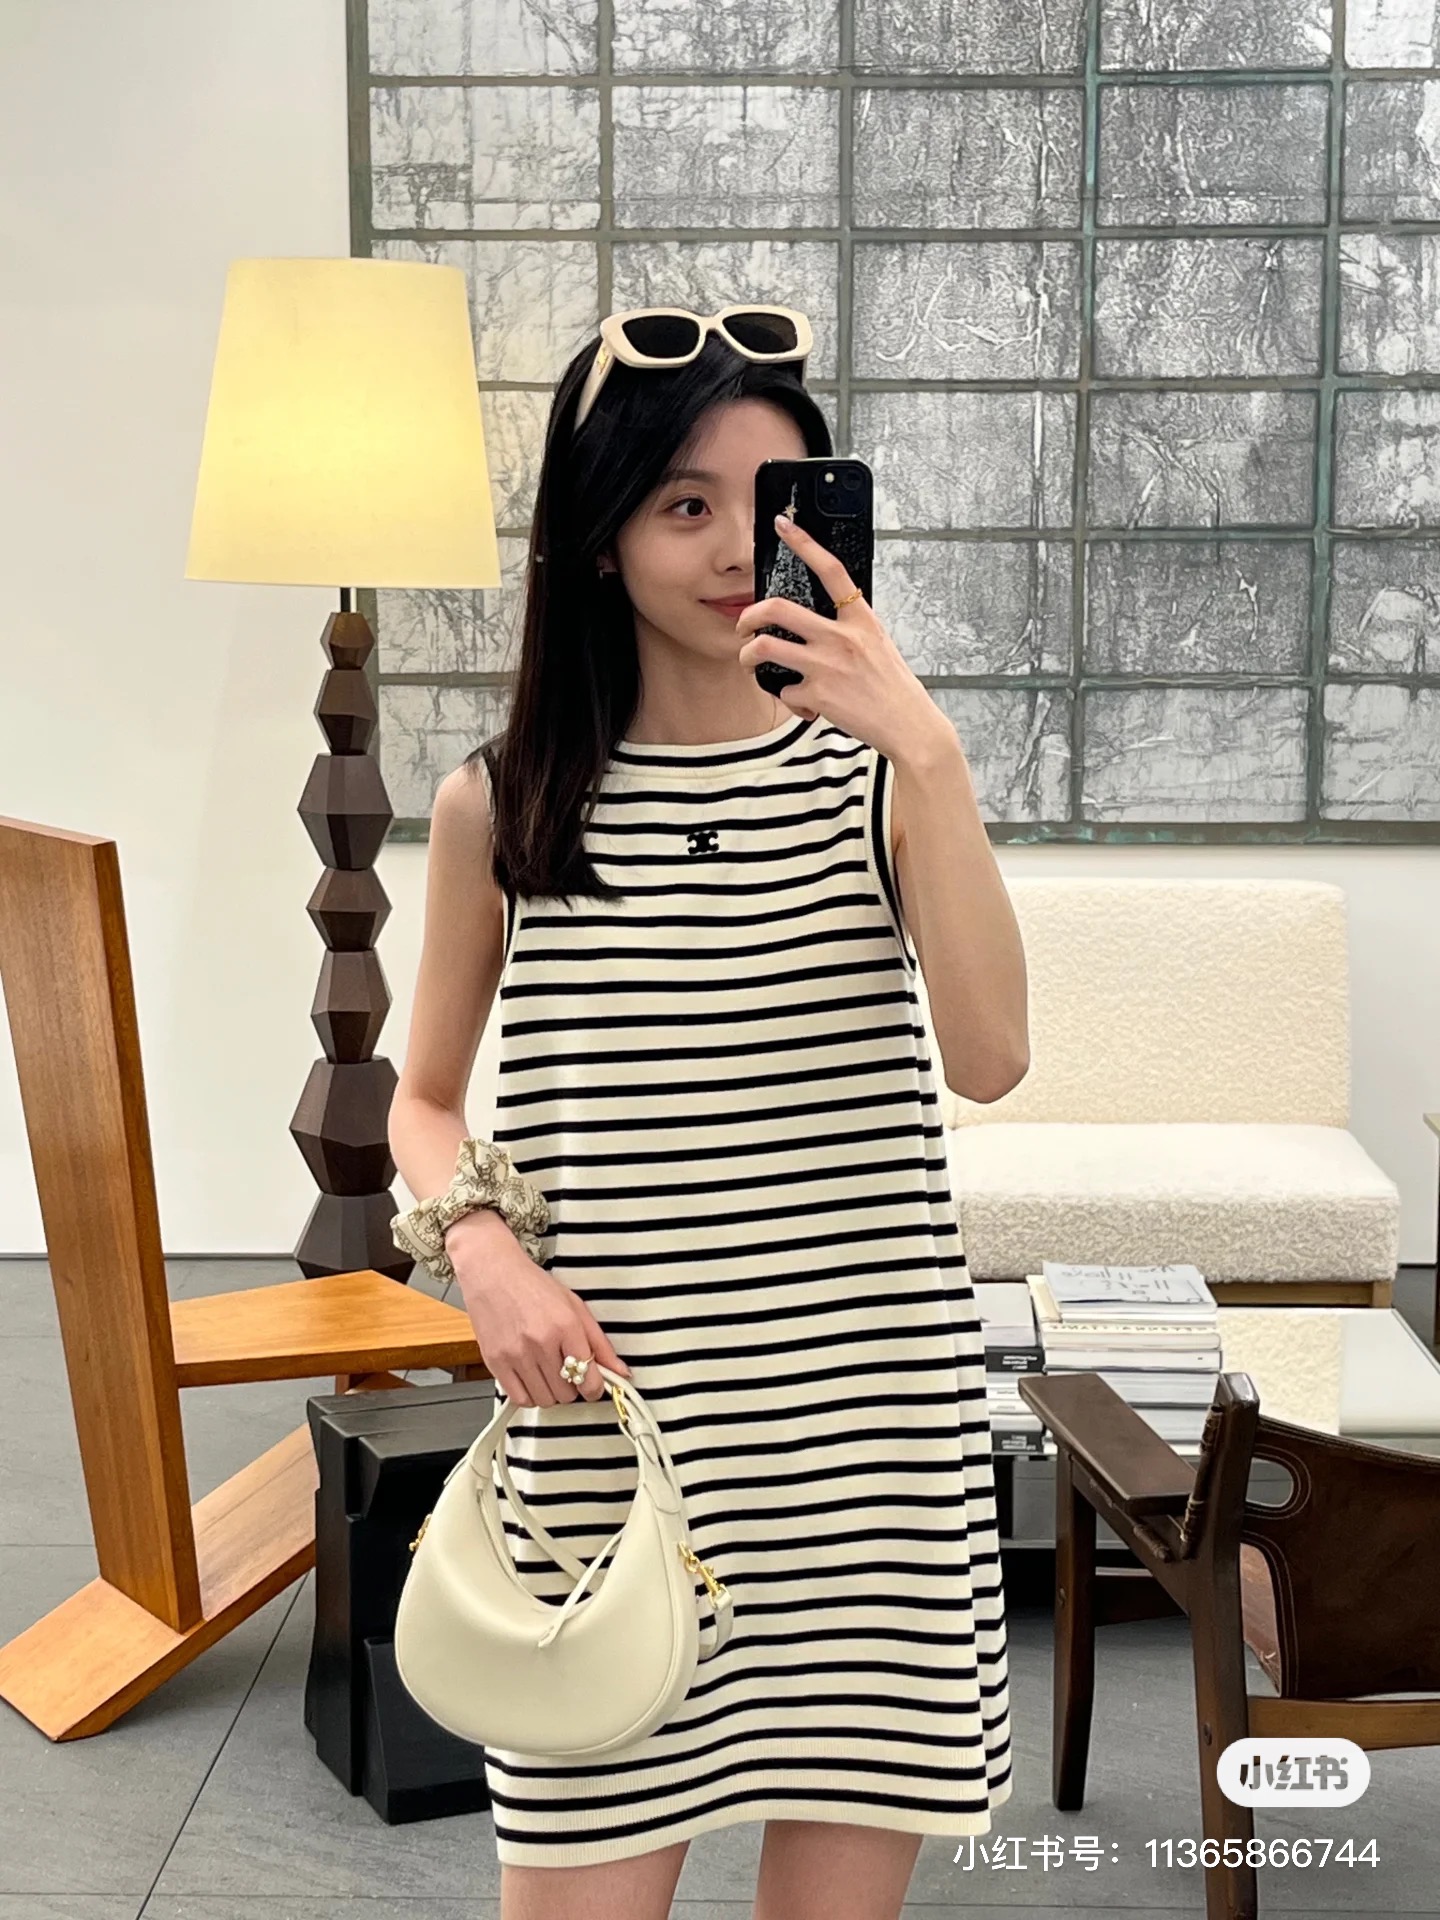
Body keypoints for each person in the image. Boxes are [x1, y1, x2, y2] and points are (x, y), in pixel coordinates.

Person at [387, 307, 1021, 1920]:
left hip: (866, 1449)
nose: (742, 546)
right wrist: (486, 1258)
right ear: (599, 535)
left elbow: (994, 1057)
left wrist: (926, 745)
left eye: (773, 499)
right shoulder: (502, 802)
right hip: (620, 1436)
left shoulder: (878, 781)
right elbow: (425, 1099)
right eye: (685, 504)